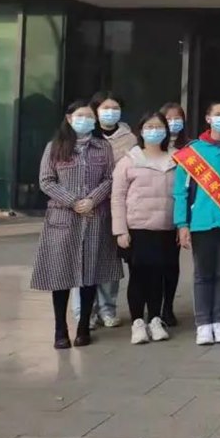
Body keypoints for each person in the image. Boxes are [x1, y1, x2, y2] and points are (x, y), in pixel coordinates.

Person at [31, 101, 122, 349]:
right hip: (63, 218)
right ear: (70, 118)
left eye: (90, 116)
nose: (86, 120)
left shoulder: (103, 147)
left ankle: (84, 327)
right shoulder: (55, 146)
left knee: (90, 274)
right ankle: (60, 329)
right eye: (81, 115)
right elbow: (46, 181)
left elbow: (110, 178)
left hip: (94, 217)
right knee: (61, 275)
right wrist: (73, 201)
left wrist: (92, 200)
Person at [173, 102, 220, 346]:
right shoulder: (193, 152)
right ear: (208, 118)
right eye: (218, 114)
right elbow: (181, 193)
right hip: (200, 223)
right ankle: (203, 323)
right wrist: (182, 224)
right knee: (202, 274)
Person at [112, 111, 178, 345]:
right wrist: (120, 230)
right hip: (137, 228)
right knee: (139, 275)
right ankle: (138, 322)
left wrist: (182, 226)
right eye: (149, 127)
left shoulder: (176, 159)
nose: (154, 131)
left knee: (159, 275)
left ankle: (155, 319)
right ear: (141, 131)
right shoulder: (129, 160)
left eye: (159, 127)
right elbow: (117, 197)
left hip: (166, 228)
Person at [77, 91, 132, 329]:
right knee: (82, 262)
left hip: (114, 207)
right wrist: (83, 201)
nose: (110, 112)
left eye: (115, 108)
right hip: (85, 208)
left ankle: (108, 309)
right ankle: (84, 313)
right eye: (105, 108)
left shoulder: (130, 139)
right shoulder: (82, 137)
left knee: (109, 260)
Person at [157, 101, 188, 327]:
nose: (173, 123)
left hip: (175, 212)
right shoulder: (151, 146)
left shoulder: (190, 149)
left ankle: (167, 307)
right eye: (168, 119)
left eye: (178, 118)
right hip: (151, 214)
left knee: (170, 264)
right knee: (150, 266)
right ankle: (152, 308)